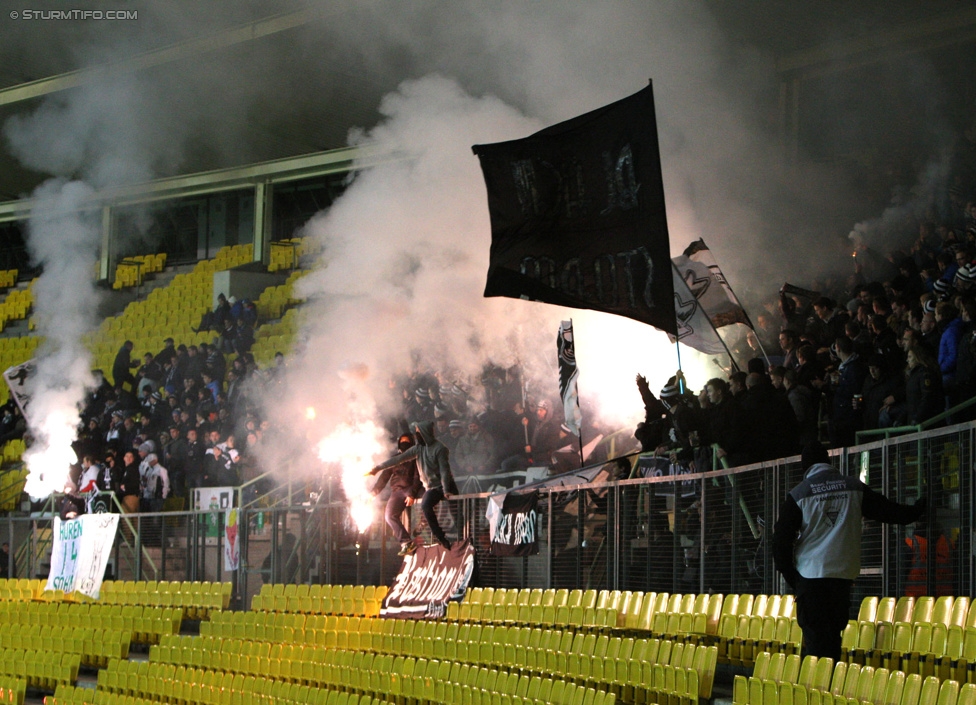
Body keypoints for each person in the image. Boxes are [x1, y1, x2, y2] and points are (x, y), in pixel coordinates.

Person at [772, 442, 925, 661]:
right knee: (834, 637)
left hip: (811, 576)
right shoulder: (854, 488)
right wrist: (916, 510)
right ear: (828, 461)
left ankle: (817, 689)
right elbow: (887, 510)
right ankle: (832, 683)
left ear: (805, 467)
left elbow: (780, 540)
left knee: (815, 642)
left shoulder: (799, 495)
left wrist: (792, 577)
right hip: (842, 577)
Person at [368, 420, 459, 550]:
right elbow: (397, 460)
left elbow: (444, 470)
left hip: (444, 485)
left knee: (456, 511)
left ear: (424, 433)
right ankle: (441, 538)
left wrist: (445, 490)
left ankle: (461, 536)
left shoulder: (439, 448)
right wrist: (378, 468)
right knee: (425, 505)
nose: (416, 436)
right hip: (429, 488)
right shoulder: (418, 449)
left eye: (418, 434)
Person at [369, 433, 425, 555]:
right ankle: (406, 542)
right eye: (402, 442)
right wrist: (373, 493)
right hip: (397, 491)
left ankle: (423, 526)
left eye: (407, 442)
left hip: (410, 489)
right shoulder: (395, 459)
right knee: (389, 516)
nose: (404, 444)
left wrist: (411, 493)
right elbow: (384, 478)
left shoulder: (416, 458)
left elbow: (418, 478)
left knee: (425, 502)